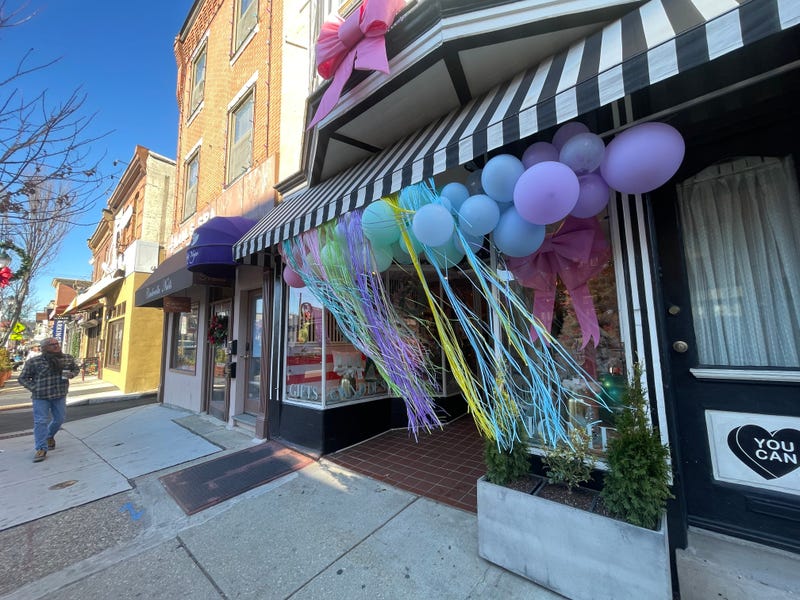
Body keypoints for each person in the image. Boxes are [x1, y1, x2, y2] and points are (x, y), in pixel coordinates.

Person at [18, 337, 80, 463]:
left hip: (59, 394)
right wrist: (34, 388)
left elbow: (75, 369)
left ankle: (49, 436)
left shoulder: (67, 358)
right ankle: (41, 448)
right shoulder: (34, 362)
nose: (56, 346)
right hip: (41, 397)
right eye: (52, 344)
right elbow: (22, 378)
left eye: (57, 343)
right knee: (40, 421)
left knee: (59, 419)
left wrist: (70, 374)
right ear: (44, 348)